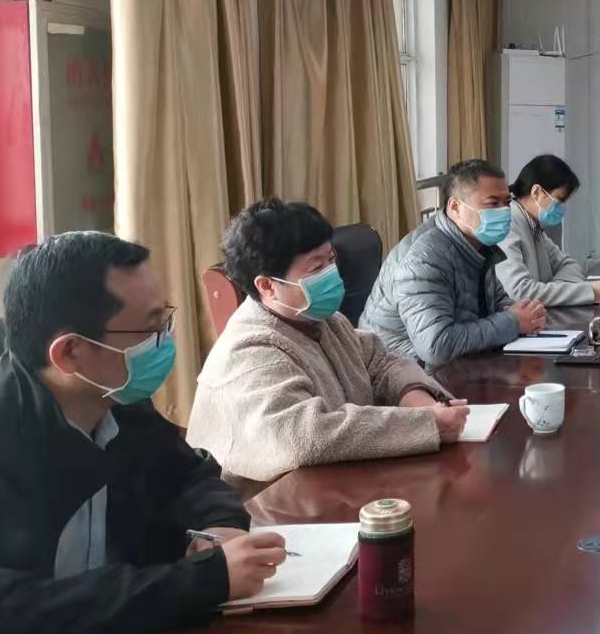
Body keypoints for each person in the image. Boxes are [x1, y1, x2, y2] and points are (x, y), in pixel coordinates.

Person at [0, 232, 287, 634]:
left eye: (164, 320)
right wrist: (202, 581)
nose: (164, 342)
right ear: (70, 352)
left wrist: (220, 527)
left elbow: (190, 474)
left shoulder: (114, 403)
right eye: (148, 330)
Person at [188, 199, 473, 485]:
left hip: (334, 482)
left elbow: (381, 362)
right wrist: (425, 425)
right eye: (316, 267)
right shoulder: (248, 350)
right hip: (267, 502)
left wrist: (422, 403)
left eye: (331, 260)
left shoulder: (325, 321)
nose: (331, 273)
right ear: (267, 285)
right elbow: (303, 436)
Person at [361, 159, 548, 369]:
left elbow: (495, 301)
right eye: (492, 203)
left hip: (455, 365)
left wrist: (525, 312)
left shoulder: (478, 242)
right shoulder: (423, 258)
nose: (504, 211)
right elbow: (435, 346)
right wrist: (513, 322)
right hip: (401, 373)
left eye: (506, 202)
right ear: (455, 207)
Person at [498, 154, 600, 309]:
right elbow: (519, 291)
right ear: (536, 192)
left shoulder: (533, 224)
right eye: (560, 199)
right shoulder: (507, 226)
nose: (563, 207)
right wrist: (588, 292)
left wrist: (551, 291)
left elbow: (569, 264)